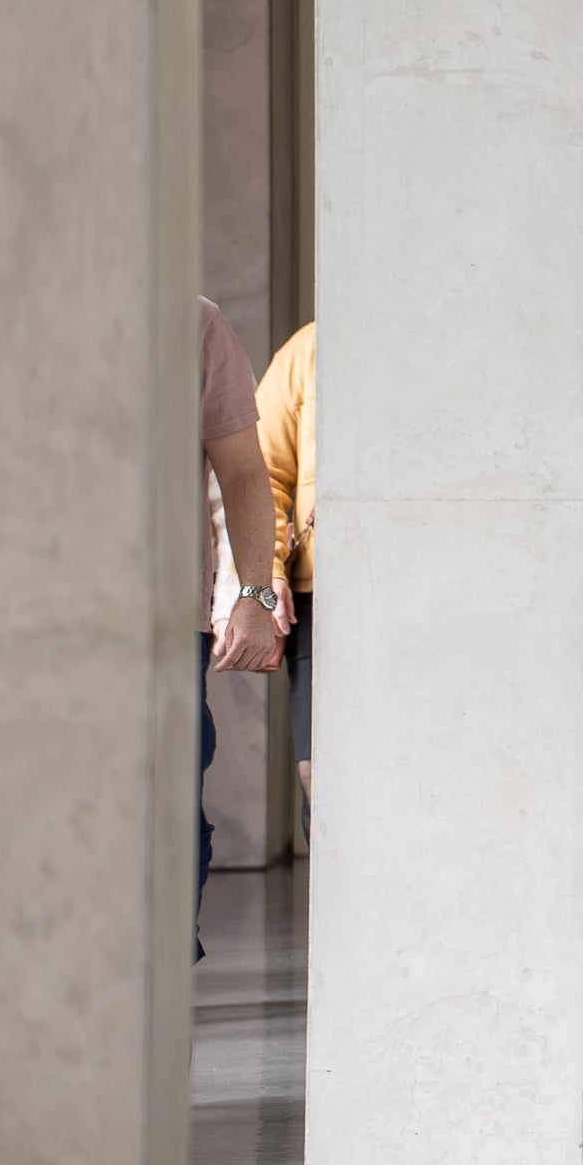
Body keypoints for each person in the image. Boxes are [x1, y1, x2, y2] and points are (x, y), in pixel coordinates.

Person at [197, 301, 286, 938]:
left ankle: (160, 989)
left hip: (157, 629)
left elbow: (247, 474)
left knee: (170, 819)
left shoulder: (193, 322)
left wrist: (254, 596)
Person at [254, 319, 317, 816]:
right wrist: (270, 569)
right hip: (323, 597)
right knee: (319, 770)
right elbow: (259, 475)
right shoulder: (303, 354)